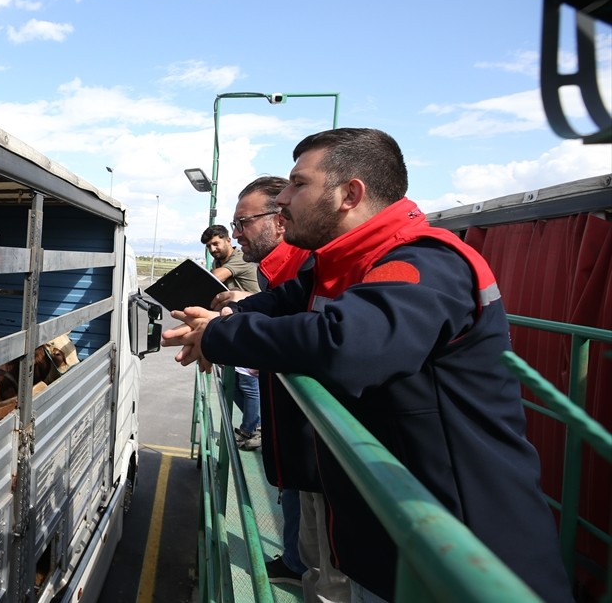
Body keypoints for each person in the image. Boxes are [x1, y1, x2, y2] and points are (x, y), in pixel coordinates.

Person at [163, 128, 572, 603]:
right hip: (392, 532)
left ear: (349, 194)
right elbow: (283, 300)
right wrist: (226, 317)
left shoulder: (424, 260)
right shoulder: (340, 265)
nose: (284, 202)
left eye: (298, 185)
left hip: (462, 549)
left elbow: (349, 345)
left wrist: (218, 334)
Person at [216, 176, 323, 595]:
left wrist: (224, 332)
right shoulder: (283, 272)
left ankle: (302, 565)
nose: (236, 233)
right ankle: (297, 562)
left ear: (279, 222)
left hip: (317, 434)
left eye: (243, 222)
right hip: (298, 426)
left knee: (313, 507)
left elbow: (316, 333)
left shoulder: (305, 266)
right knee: (298, 493)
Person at [199, 224, 261, 449]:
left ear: (228, 241)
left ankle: (250, 429)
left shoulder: (239, 258)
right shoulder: (219, 261)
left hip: (252, 322)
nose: (213, 249)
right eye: (209, 246)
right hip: (236, 324)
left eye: (216, 243)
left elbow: (213, 279)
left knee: (247, 382)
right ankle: (255, 424)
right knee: (232, 383)